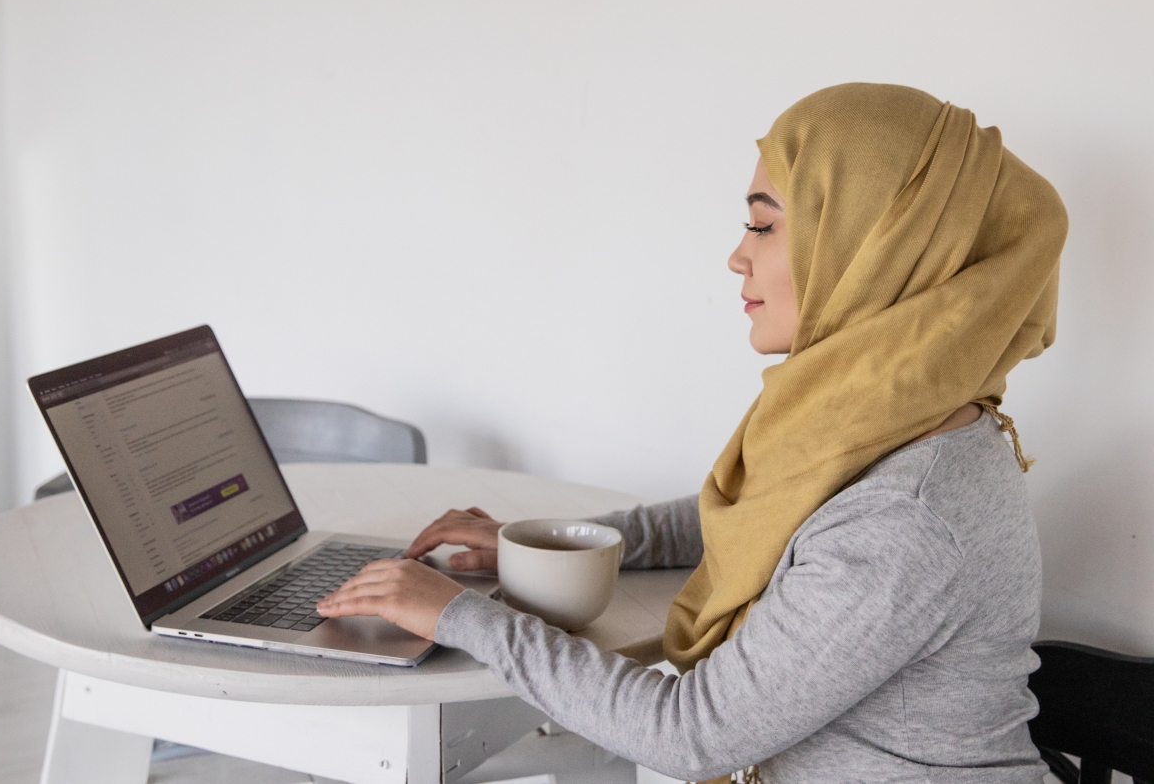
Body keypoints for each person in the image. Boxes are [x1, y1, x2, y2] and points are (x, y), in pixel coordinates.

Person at [317, 83, 1068, 783]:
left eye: (765, 224)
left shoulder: (904, 519)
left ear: (872, 253)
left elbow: (688, 731)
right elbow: (759, 517)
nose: (738, 254)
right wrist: (555, 541)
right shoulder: (888, 419)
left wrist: (457, 614)